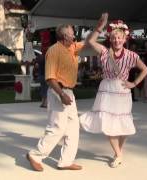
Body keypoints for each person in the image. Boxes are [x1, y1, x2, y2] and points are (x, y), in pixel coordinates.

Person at [80, 13, 147, 168]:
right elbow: (90, 41)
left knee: (123, 123)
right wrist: (100, 26)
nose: (117, 40)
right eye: (114, 37)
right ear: (110, 38)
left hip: (122, 91)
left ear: (125, 39)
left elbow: (145, 69)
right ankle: (118, 154)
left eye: (120, 37)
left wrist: (134, 83)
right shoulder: (104, 51)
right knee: (107, 123)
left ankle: (118, 151)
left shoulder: (131, 55)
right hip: (106, 89)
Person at [27, 24, 85, 171]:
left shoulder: (72, 47)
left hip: (68, 92)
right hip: (58, 91)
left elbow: (89, 41)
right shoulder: (53, 51)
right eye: (72, 33)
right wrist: (62, 94)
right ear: (65, 36)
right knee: (57, 128)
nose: (74, 35)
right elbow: (50, 78)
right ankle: (35, 155)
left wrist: (98, 28)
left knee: (73, 128)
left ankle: (65, 161)